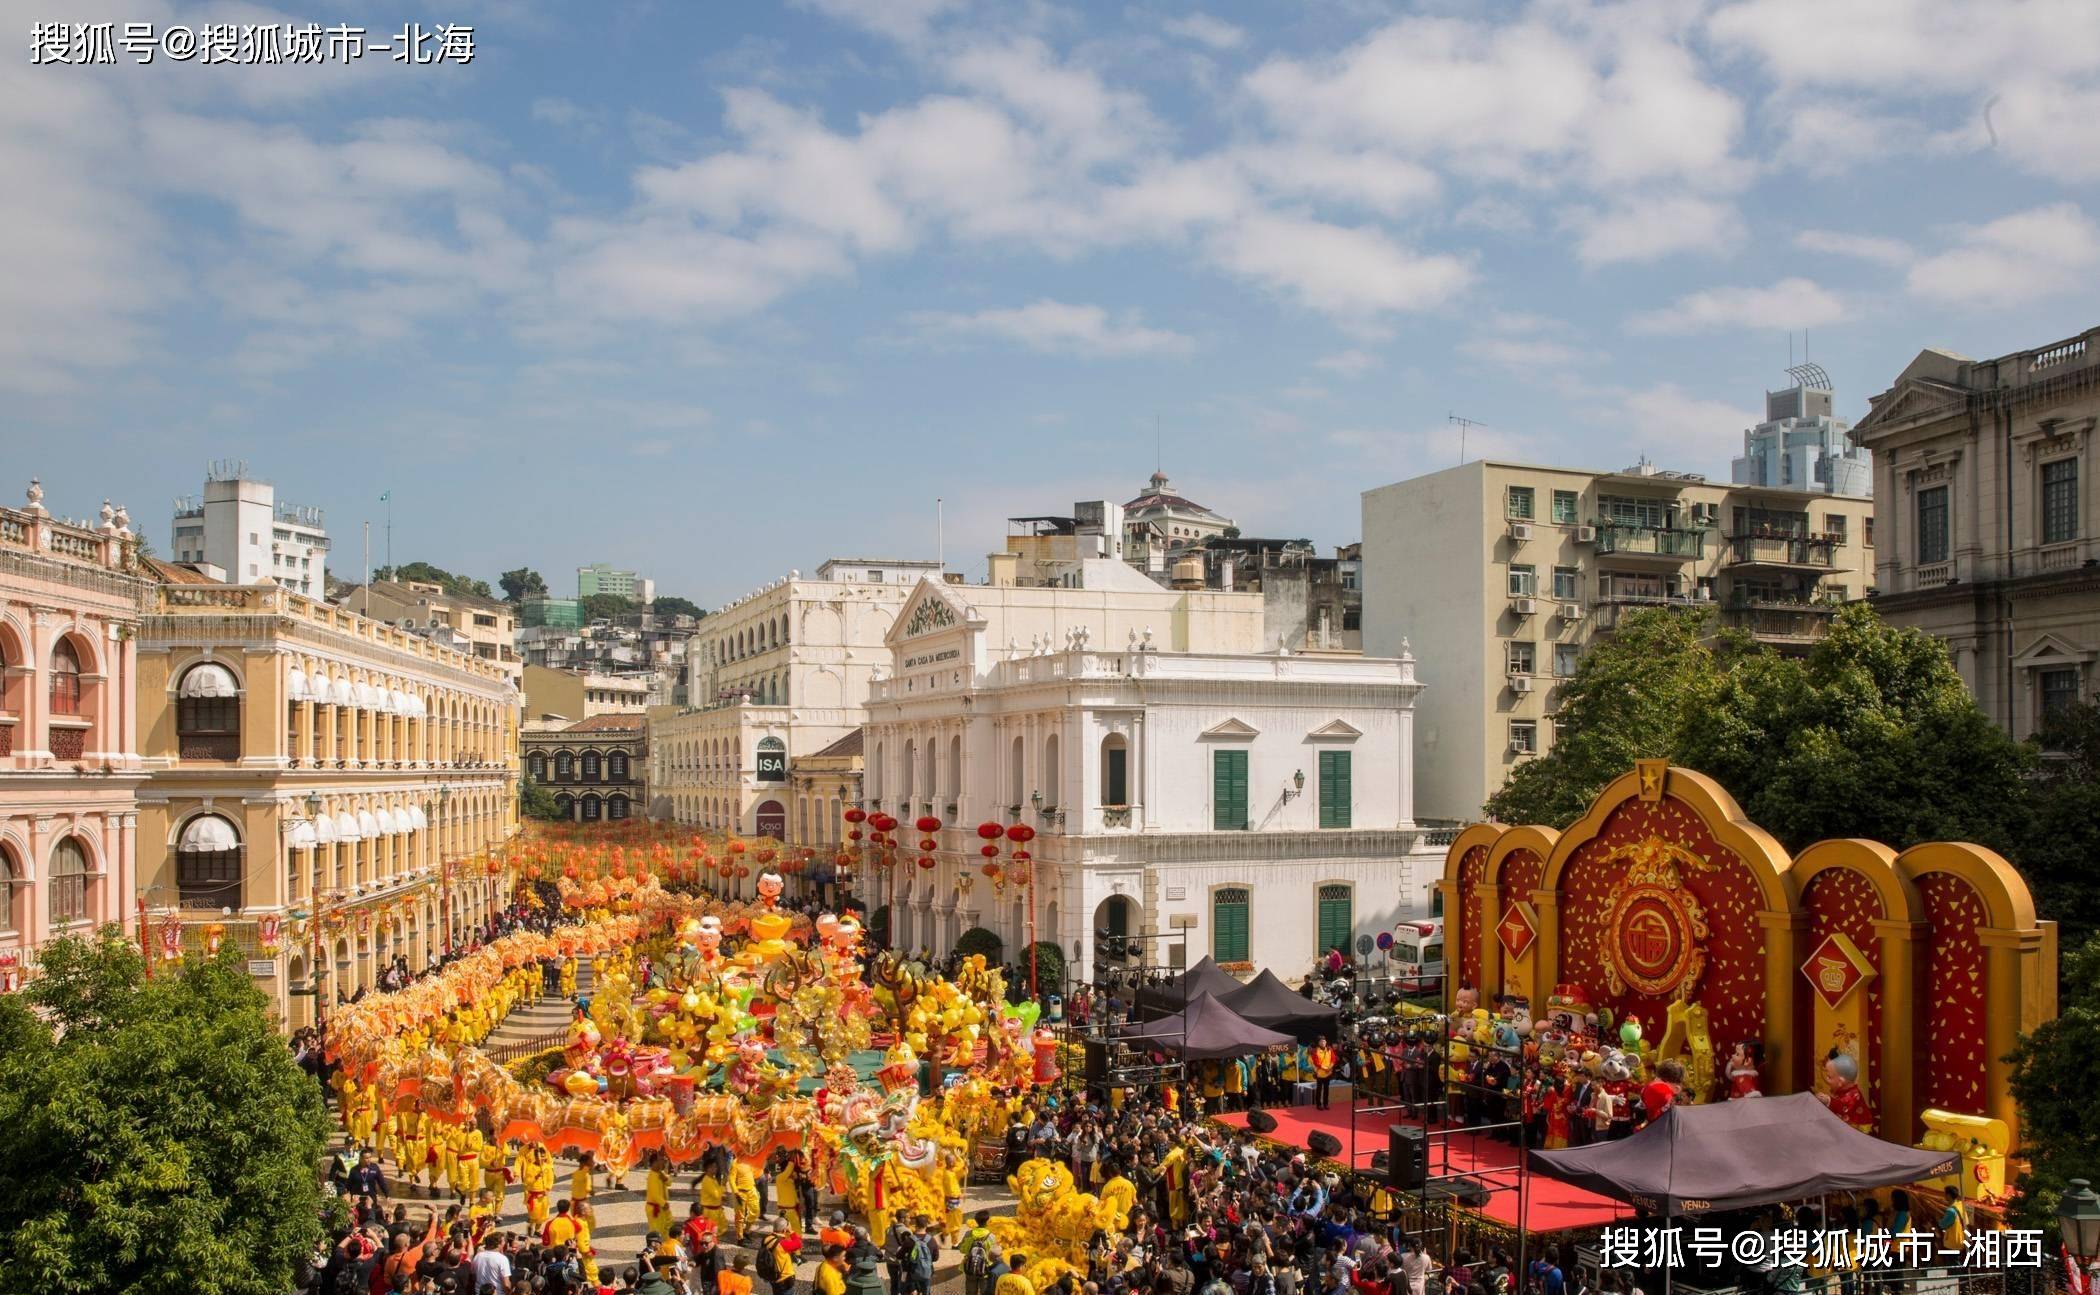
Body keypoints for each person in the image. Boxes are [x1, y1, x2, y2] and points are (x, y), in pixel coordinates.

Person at [472, 1231, 514, 1295]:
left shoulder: (478, 1256)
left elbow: (473, 1276)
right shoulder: (502, 1259)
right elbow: (506, 1283)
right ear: (498, 1244)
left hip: (479, 1292)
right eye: (503, 1241)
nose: (504, 1243)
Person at [1309, 1038, 1339, 1112]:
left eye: (1324, 1041)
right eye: (1321, 1041)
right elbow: (1316, 1062)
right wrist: (1325, 1068)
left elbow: (1333, 1059)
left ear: (1326, 1042)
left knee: (1326, 1089)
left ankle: (1326, 1104)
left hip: (1328, 1073)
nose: (1323, 1043)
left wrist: (1330, 1067)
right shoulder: (1315, 1050)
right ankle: (1318, 1104)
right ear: (1318, 1043)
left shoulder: (1329, 1049)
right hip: (1320, 1073)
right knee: (1319, 1089)